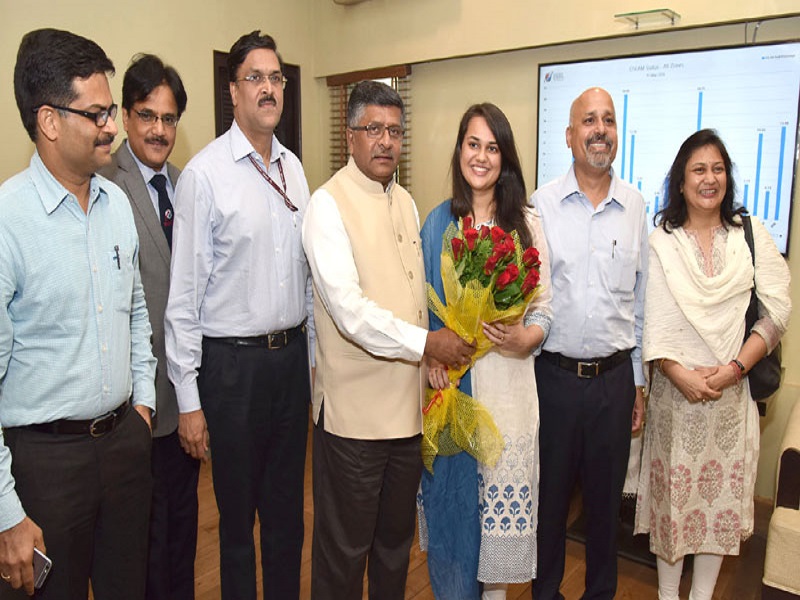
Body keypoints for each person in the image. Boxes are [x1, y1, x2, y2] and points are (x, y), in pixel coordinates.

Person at [302, 80, 475, 600]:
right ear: (349, 136)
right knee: (343, 557)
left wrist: (429, 362)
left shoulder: (404, 201)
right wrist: (427, 345)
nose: (385, 142)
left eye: (394, 131)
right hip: (353, 422)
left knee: (394, 550)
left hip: (406, 417)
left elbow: (411, 298)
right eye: (372, 129)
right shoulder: (326, 206)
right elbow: (350, 313)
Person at [0, 28, 156, 599]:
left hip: (123, 446)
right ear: (48, 121)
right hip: (44, 466)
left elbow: (136, 310)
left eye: (110, 110)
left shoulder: (116, 205)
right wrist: (5, 513)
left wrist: (144, 405)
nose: (112, 126)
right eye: (97, 113)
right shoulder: (7, 222)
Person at [164, 31, 313, 600]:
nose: (269, 88)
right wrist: (189, 401)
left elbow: (306, 278)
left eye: (276, 78)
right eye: (256, 78)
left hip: (288, 365)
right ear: (233, 91)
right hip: (231, 372)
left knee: (286, 519)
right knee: (235, 526)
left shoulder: (295, 170)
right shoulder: (204, 176)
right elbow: (183, 299)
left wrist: (313, 364)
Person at [634, 129, 791, 600]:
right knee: (673, 508)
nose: (709, 179)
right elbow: (654, 321)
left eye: (718, 169)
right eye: (698, 170)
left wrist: (733, 370)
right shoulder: (662, 241)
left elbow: (777, 311)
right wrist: (679, 373)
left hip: (728, 397)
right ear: (681, 183)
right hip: (674, 402)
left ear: (729, 178)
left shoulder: (751, 236)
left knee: (714, 507)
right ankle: (667, 596)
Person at [417, 103, 552, 600]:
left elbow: (544, 312)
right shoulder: (436, 224)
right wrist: (433, 359)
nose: (481, 156)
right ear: (459, 152)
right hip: (454, 395)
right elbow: (422, 315)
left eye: (492, 147)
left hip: (510, 397)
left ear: (506, 158)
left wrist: (524, 339)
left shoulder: (527, 224)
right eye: (473, 144)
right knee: (454, 524)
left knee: (496, 539)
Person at [531, 87, 648, 600]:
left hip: (614, 384)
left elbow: (642, 303)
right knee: (549, 504)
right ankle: (546, 592)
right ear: (569, 135)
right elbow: (528, 298)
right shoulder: (541, 205)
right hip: (552, 379)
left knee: (604, 511)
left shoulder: (636, 206)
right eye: (588, 121)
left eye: (608, 120)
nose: (599, 130)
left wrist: (639, 383)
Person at [98, 54, 198, 600]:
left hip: (184, 396)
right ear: (126, 118)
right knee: (142, 545)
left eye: (169, 118)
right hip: (135, 407)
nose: (159, 130)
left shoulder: (187, 185)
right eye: (146, 116)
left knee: (183, 532)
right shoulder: (102, 182)